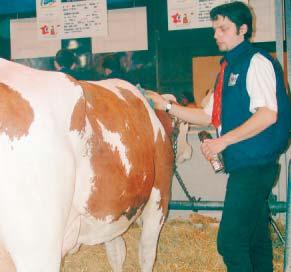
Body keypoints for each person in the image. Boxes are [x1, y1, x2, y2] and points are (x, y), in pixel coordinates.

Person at [147, 2, 291, 271]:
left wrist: (222, 141)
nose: (216, 35)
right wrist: (164, 105)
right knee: (256, 239)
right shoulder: (227, 69)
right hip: (246, 165)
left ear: (243, 29)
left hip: (254, 167)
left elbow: (268, 114)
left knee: (230, 243)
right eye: (215, 29)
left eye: (223, 29)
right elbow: (206, 114)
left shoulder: (256, 62)